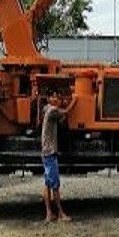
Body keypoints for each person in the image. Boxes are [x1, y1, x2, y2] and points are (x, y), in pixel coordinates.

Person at [41, 91, 77, 222]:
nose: (56, 99)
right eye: (53, 96)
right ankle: (60, 213)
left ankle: (49, 213)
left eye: (57, 96)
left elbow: (61, 119)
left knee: (47, 183)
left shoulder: (46, 110)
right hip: (50, 152)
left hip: (45, 151)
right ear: (48, 98)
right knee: (55, 184)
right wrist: (75, 100)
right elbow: (66, 111)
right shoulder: (52, 110)